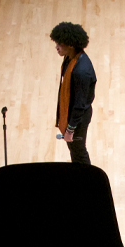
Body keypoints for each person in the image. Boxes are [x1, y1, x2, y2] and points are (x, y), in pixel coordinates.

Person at [52, 22, 97, 165]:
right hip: (74, 114)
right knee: (75, 151)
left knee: (78, 151)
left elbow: (79, 105)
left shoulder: (81, 71)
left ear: (70, 45)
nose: (57, 47)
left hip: (78, 119)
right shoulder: (70, 58)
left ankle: (88, 181)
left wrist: (70, 130)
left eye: (60, 44)